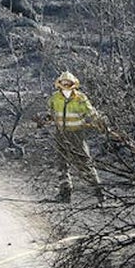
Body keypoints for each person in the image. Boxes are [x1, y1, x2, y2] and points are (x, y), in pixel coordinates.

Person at [45, 71, 105, 203]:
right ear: (59, 84)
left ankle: (99, 193)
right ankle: (65, 193)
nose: (66, 85)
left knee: (84, 163)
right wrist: (45, 119)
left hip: (77, 134)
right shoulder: (55, 98)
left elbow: (91, 112)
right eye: (63, 82)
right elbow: (50, 112)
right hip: (60, 134)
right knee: (62, 164)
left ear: (73, 84)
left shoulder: (80, 98)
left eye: (68, 83)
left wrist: (100, 122)